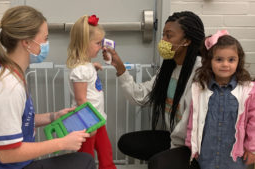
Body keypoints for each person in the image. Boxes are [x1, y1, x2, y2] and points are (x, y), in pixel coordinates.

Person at [0, 6, 95, 169]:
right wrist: (61, 143)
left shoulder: (13, 74)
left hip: (15, 164)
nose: (46, 44)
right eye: (45, 38)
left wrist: (53, 116)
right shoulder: (8, 87)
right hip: (4, 165)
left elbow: (19, 120)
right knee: (85, 162)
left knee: (83, 160)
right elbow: (7, 153)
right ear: (27, 42)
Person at [103, 11, 205, 168]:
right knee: (127, 142)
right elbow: (140, 97)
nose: (163, 40)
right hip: (174, 138)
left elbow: (188, 126)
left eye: (169, 36)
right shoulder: (169, 67)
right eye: (163, 35)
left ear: (186, 41)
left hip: (192, 145)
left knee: (158, 163)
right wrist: (120, 67)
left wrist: (171, 157)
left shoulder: (200, 73)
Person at [185, 30, 255, 169]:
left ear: (238, 61)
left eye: (231, 60)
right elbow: (193, 119)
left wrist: (252, 148)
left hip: (234, 159)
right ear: (209, 61)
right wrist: (191, 145)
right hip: (207, 156)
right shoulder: (199, 89)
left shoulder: (248, 91)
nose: (225, 64)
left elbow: (253, 122)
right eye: (219, 59)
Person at [66, 15, 117, 169]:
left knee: (105, 151)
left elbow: (86, 83)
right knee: (85, 156)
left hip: (97, 119)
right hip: (86, 122)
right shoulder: (80, 70)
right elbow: (81, 99)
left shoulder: (85, 66)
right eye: (97, 43)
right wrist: (90, 123)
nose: (101, 47)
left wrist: (92, 67)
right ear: (83, 44)